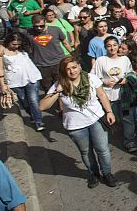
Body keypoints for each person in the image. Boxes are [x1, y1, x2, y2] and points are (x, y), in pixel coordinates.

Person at [39, 56, 119, 188]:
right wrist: (56, 91)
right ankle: (93, 174)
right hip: (75, 126)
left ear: (79, 66)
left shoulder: (90, 78)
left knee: (102, 149)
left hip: (96, 120)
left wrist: (109, 111)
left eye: (74, 67)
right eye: (68, 69)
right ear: (64, 72)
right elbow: (42, 106)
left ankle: (107, 173)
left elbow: (102, 95)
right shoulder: (60, 84)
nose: (72, 71)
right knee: (86, 152)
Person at [91, 36, 136, 152]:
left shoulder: (125, 59)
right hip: (108, 96)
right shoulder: (101, 60)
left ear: (118, 46)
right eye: (109, 46)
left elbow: (131, 73)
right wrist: (104, 81)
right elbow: (92, 77)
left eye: (115, 45)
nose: (112, 48)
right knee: (115, 118)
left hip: (124, 94)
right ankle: (118, 134)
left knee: (127, 118)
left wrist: (127, 79)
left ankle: (129, 140)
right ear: (105, 47)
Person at [0, 32, 44, 131]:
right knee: (24, 101)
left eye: (18, 44)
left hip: (32, 77)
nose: (16, 46)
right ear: (8, 41)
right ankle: (32, 115)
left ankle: (39, 121)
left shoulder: (24, 47)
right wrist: (2, 85)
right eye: (14, 44)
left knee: (33, 100)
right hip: (14, 81)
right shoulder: (1, 52)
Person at [27, 13, 70, 91]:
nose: (39, 28)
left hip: (58, 62)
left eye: (41, 26)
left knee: (62, 87)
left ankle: (62, 103)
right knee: (48, 89)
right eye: (35, 26)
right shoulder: (28, 33)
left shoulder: (55, 30)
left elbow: (65, 42)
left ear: (45, 22)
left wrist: (72, 54)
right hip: (42, 65)